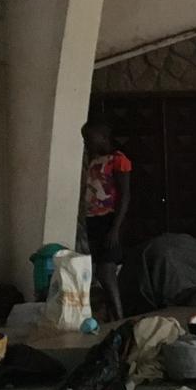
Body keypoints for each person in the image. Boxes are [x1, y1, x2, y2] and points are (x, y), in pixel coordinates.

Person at [81, 120, 132, 322]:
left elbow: (125, 195)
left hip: (109, 220)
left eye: (90, 139)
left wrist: (115, 228)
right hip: (93, 219)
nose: (87, 144)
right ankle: (112, 314)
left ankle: (119, 316)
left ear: (103, 137)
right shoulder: (95, 160)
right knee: (101, 271)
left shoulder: (118, 160)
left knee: (107, 269)